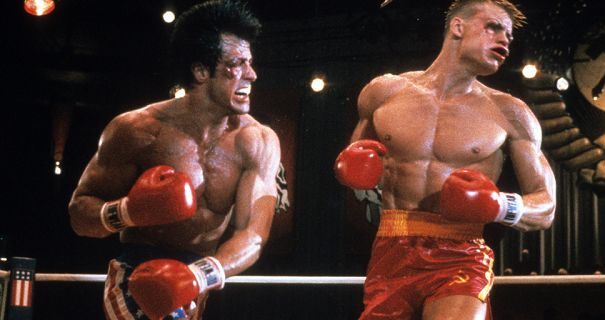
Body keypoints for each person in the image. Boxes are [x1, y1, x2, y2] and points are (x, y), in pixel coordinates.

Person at [334, 1, 556, 319]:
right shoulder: (383, 93)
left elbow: (546, 206)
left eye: (509, 34)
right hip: (390, 251)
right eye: (493, 27)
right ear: (457, 27)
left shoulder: (510, 113)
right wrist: (351, 171)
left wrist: (497, 205)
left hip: (461, 256)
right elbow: (358, 168)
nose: (505, 40)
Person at [67, 1, 283, 319]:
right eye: (237, 63)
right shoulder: (138, 130)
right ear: (200, 71)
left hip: (199, 279)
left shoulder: (258, 141)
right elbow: (79, 215)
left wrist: (197, 277)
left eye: (250, 62)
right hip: (136, 273)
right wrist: (127, 211)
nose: (251, 74)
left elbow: (252, 235)